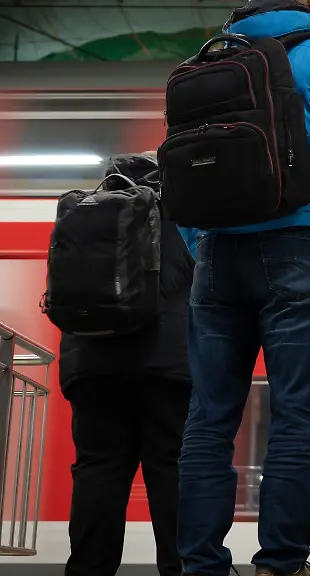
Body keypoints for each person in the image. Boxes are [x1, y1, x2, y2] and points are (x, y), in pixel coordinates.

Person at [175, 0, 310, 575]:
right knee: (295, 418)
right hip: (300, 247)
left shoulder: (207, 64)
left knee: (210, 420)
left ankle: (201, 566)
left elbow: (183, 169)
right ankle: (280, 565)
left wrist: (202, 245)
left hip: (217, 257)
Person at [59, 153, 194, 576]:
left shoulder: (88, 211)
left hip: (92, 361)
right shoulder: (183, 213)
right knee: (170, 467)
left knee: (99, 467)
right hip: (167, 362)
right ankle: (181, 567)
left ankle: (87, 569)